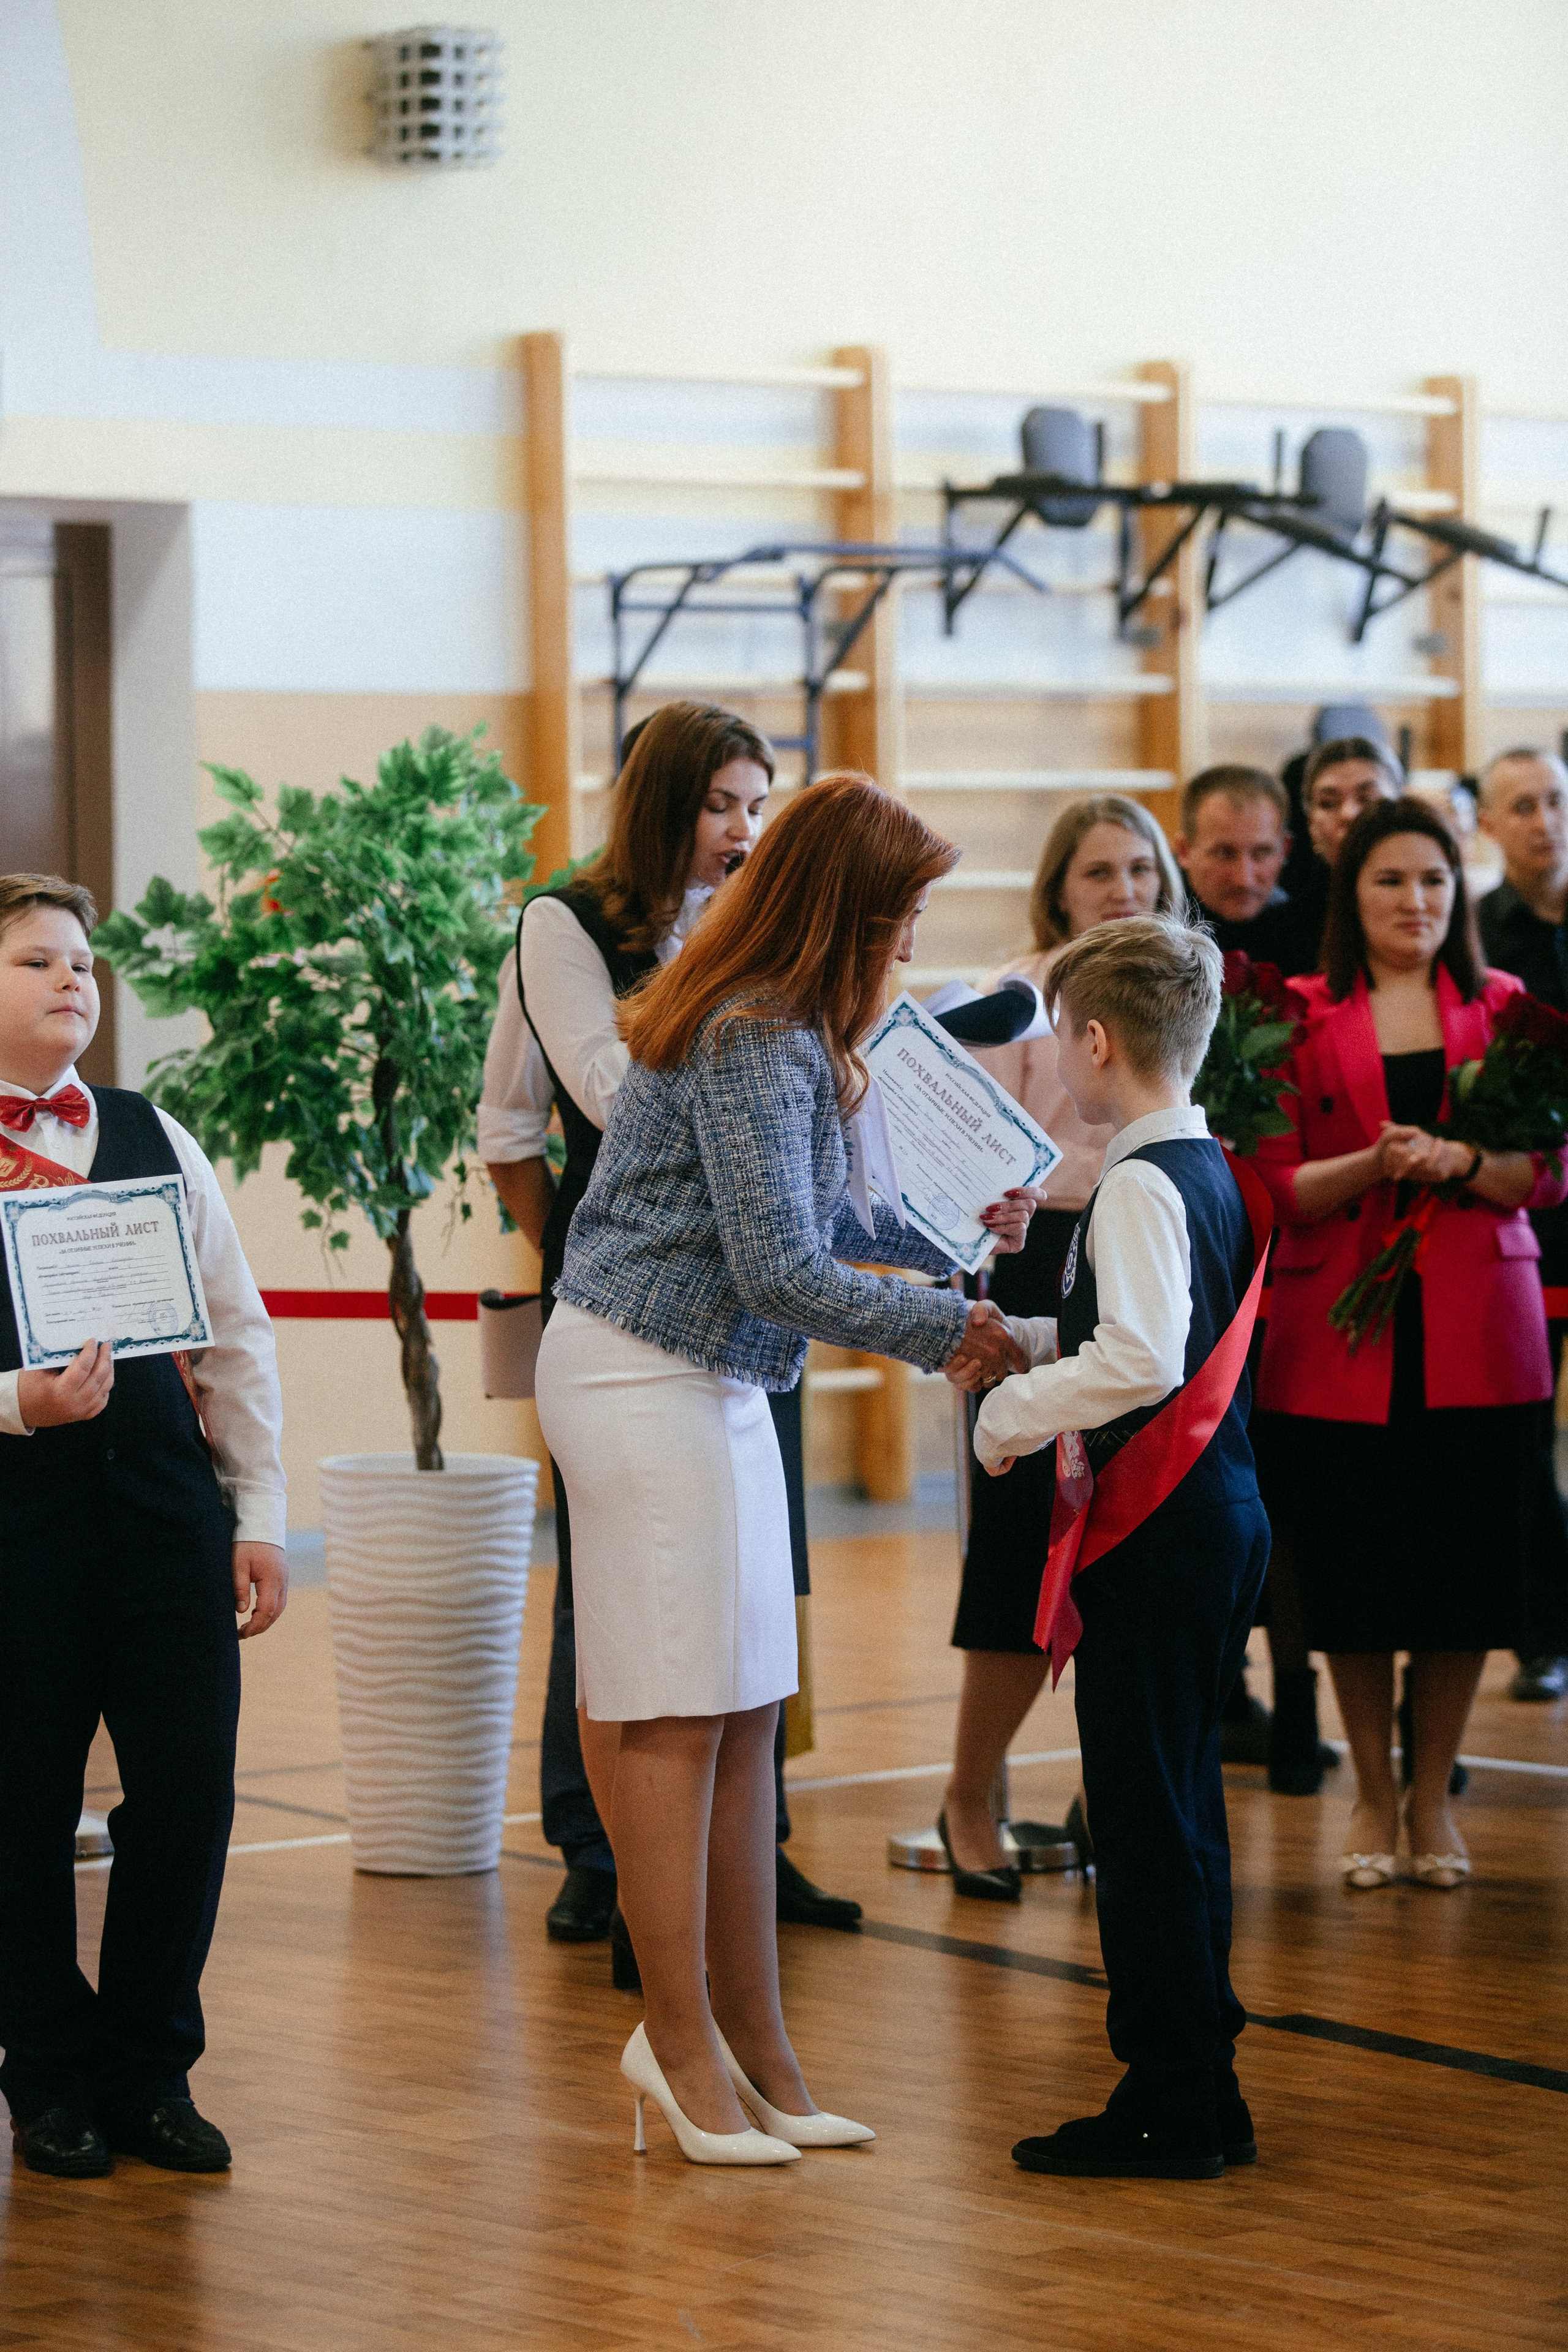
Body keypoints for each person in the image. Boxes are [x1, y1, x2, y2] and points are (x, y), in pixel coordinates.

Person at [535, 774, 1034, 2164]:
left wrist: (948, 1242)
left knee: (749, 1706)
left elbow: (810, 1217)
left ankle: (758, 2045)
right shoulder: (756, 1030)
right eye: (905, 916)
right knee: (675, 1710)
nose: (914, 944)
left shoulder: (782, 1028)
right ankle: (675, 2039)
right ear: (847, 913)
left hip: (711, 1373)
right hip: (643, 1369)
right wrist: (952, 1331)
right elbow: (778, 1265)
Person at [480, 702, 859, 1956]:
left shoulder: (758, 931)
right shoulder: (566, 923)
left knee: (755, 1579)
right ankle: (600, 1853)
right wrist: (572, 1257)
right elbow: (572, 1099)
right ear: (657, 806)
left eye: (757, 806)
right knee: (620, 1589)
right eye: (717, 806)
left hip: (757, 1279)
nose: (742, 833)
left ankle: (755, 1845)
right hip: (630, 1299)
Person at [963, 915, 1270, 2181]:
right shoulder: (1196, 1167)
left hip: (1162, 1532)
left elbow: (1140, 1360)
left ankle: (1168, 2096)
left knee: (1144, 1824)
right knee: (1177, 1808)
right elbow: (1155, 1337)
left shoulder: (1139, 1182)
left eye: (1060, 1041)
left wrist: (1008, 1414)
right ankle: (1202, 2078)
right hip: (1210, 1520)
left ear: (1093, 1042)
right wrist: (1031, 1344)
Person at [0, 875, 288, 2179]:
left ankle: (150, 2070)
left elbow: (237, 1332)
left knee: (185, 1800)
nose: (74, 980)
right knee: (18, 1814)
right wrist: (21, 1400)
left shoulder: (154, 1132)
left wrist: (260, 1513)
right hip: (18, 1527)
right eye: (36, 962)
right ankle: (45, 2078)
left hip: (171, 1518)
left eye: (84, 964)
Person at [1252, 799, 1565, 1892]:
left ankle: (1432, 1798)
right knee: (1354, 1576)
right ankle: (1373, 1796)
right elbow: (1276, 1186)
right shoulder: (1294, 1015)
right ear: (1354, 895)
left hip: (1484, 1332)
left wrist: (1458, 1163)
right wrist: (1376, 1163)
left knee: (1463, 1575)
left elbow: (1540, 1177)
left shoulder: (1509, 1008)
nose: (1416, 901)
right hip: (1337, 1339)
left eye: (1433, 880)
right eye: (1391, 880)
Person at [938, 793, 1182, 1895]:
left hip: (1149, 1253)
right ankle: (968, 1794)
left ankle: (1113, 1787)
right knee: (1015, 1551)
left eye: (1139, 868)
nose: (1123, 888)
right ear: (1058, 888)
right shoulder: (1017, 1001)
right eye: (1099, 873)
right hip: (1041, 1255)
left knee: (1135, 1550)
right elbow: (968, 1161)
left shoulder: (1180, 995)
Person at [1476, 747, 1568, 1701]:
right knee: (1526, 1437)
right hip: (1535, 1226)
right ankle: (1546, 1631)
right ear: (1491, 826)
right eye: (1524, 807)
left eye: (1556, 802)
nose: (1545, 821)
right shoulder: (1482, 943)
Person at [1270, 734, 1404, 976]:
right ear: (1311, 824)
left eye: (1366, 799)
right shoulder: (1283, 928)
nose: (1348, 814)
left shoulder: (1431, 905)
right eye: (1329, 803)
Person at [1174, 766, 1295, 961]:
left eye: (1262, 853)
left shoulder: (1312, 932)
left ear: (1285, 850)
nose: (1244, 880)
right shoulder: (1148, 930)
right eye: (1224, 853)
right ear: (1184, 851)